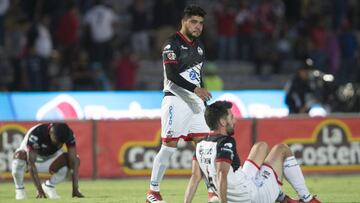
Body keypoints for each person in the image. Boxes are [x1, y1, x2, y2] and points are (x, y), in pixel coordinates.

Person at [184, 101, 321, 203]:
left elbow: (195, 178)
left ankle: (281, 197)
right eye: (231, 117)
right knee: (282, 149)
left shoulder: (201, 144)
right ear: (222, 122)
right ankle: (308, 199)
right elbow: (221, 174)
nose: (235, 120)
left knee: (260, 147)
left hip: (241, 186)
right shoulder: (225, 142)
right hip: (251, 197)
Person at [146, 5, 215, 203]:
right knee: (169, 147)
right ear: (183, 22)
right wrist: (195, 90)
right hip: (175, 100)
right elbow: (172, 75)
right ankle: (153, 192)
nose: (198, 26)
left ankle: (212, 192)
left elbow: (197, 77)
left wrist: (203, 99)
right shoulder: (172, 43)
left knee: (204, 148)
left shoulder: (200, 47)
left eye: (201, 23)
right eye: (194, 22)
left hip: (195, 103)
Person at [11, 123, 84, 199]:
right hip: (28, 160)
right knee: (19, 156)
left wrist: (75, 188)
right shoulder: (37, 133)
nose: (59, 145)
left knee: (75, 160)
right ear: (50, 133)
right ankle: (20, 189)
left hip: (49, 159)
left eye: (61, 143)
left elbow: (73, 160)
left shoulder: (68, 133)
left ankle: (49, 186)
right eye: (57, 141)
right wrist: (39, 190)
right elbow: (31, 164)